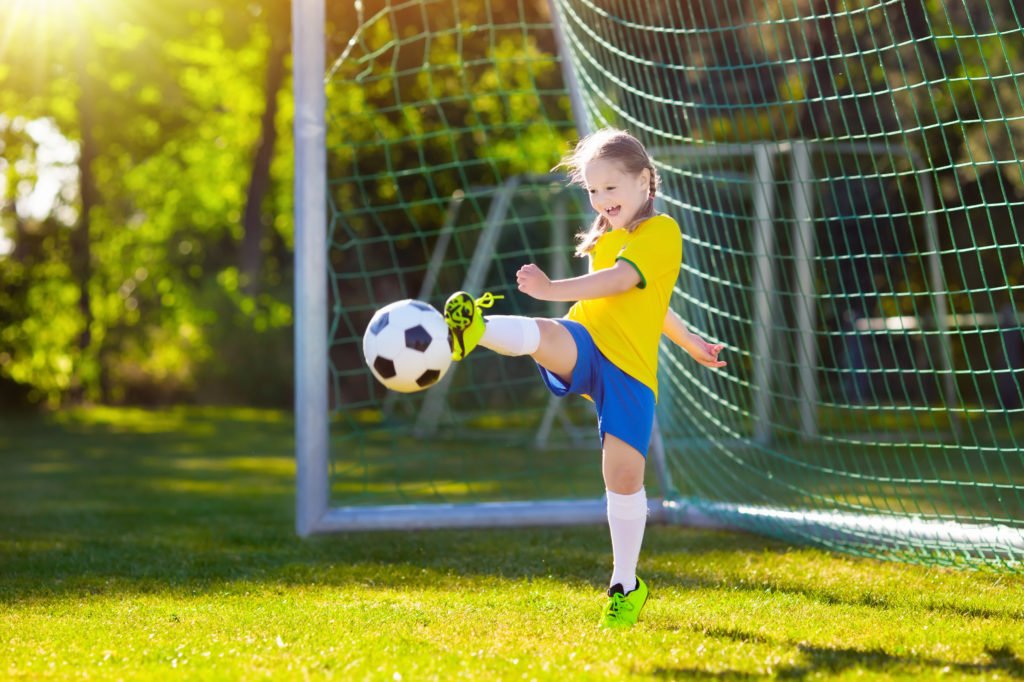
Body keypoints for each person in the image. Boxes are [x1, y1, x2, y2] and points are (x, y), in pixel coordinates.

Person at [443, 128, 727, 628]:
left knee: (622, 478)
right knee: (551, 335)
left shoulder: (661, 233)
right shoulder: (605, 235)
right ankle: (476, 329)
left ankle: (625, 583)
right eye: (593, 191)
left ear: (644, 180)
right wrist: (559, 298)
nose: (600, 200)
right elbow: (619, 293)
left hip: (630, 371)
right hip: (588, 339)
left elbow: (630, 287)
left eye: (610, 188)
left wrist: (691, 345)